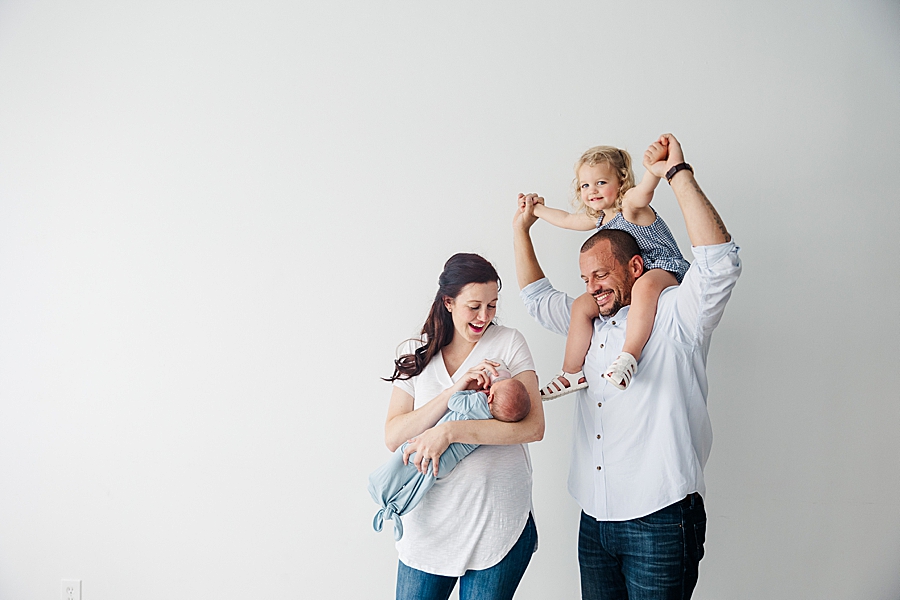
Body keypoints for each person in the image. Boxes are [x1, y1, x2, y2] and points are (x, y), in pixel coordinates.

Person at [513, 134, 740, 600]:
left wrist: (675, 173)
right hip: (594, 518)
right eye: (586, 278)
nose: (593, 287)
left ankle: (629, 358)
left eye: (602, 275)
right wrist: (522, 229)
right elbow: (538, 300)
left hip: (659, 516)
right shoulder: (591, 315)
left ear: (635, 266)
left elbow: (719, 265)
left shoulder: (677, 312)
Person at [382, 252, 544, 600]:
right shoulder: (417, 353)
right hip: (428, 528)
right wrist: (453, 392)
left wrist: (450, 432)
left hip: (496, 523)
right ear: (449, 302)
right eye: (474, 306)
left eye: (492, 305)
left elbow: (533, 427)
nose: (484, 316)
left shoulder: (508, 343)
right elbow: (394, 436)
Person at [521, 142, 690, 397]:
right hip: (632, 280)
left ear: (621, 182)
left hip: (662, 268)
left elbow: (644, 192)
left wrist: (654, 173)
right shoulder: (598, 218)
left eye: (601, 182)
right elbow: (566, 220)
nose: (592, 191)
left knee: (644, 285)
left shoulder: (631, 207)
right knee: (582, 305)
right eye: (585, 185)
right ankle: (571, 372)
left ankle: (628, 356)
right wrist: (535, 209)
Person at [369, 363, 530, 541]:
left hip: (432, 449)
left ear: (490, 397)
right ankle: (396, 508)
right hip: (446, 463)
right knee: (420, 483)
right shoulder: (493, 420)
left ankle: (381, 490)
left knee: (405, 455)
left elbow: (453, 402)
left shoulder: (477, 401)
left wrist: (471, 392)